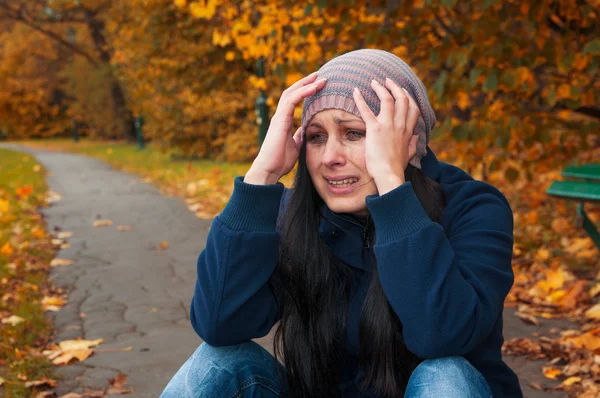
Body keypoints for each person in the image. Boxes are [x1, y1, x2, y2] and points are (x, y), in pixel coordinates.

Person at [160, 49, 522, 397]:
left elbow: (442, 334)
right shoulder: (297, 215)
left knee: (445, 374)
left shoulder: (473, 208)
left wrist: (392, 189)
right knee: (217, 363)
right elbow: (220, 325)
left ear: (407, 141)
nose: (329, 158)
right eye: (316, 137)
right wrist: (262, 177)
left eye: (354, 134)